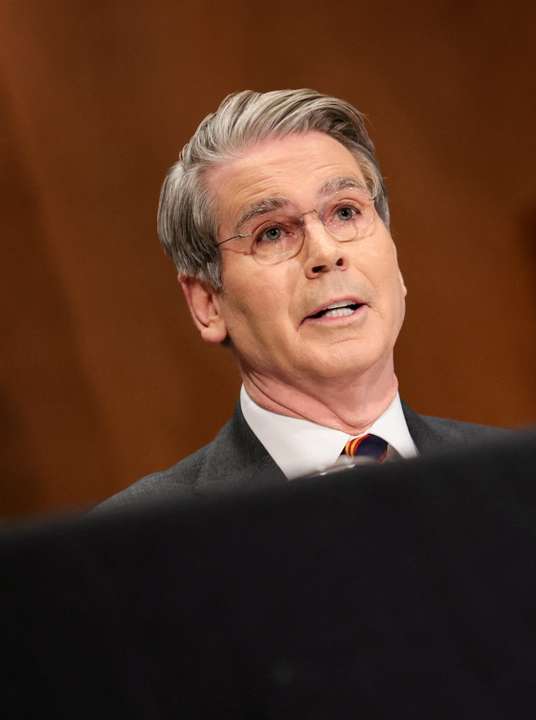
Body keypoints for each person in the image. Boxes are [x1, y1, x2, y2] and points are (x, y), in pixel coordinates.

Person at [99, 89, 500, 511]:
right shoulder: (144, 537)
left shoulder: (525, 478)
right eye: (271, 233)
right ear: (207, 304)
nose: (326, 254)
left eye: (345, 212)